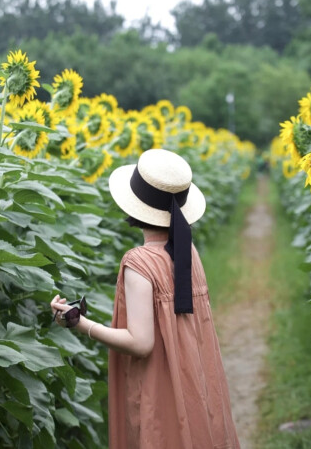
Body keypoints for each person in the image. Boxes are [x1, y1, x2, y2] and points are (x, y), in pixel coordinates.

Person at [51, 148, 240, 449]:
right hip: (192, 379)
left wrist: (80, 323)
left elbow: (141, 343)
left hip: (159, 386)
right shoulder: (188, 252)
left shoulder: (139, 262)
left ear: (136, 206)